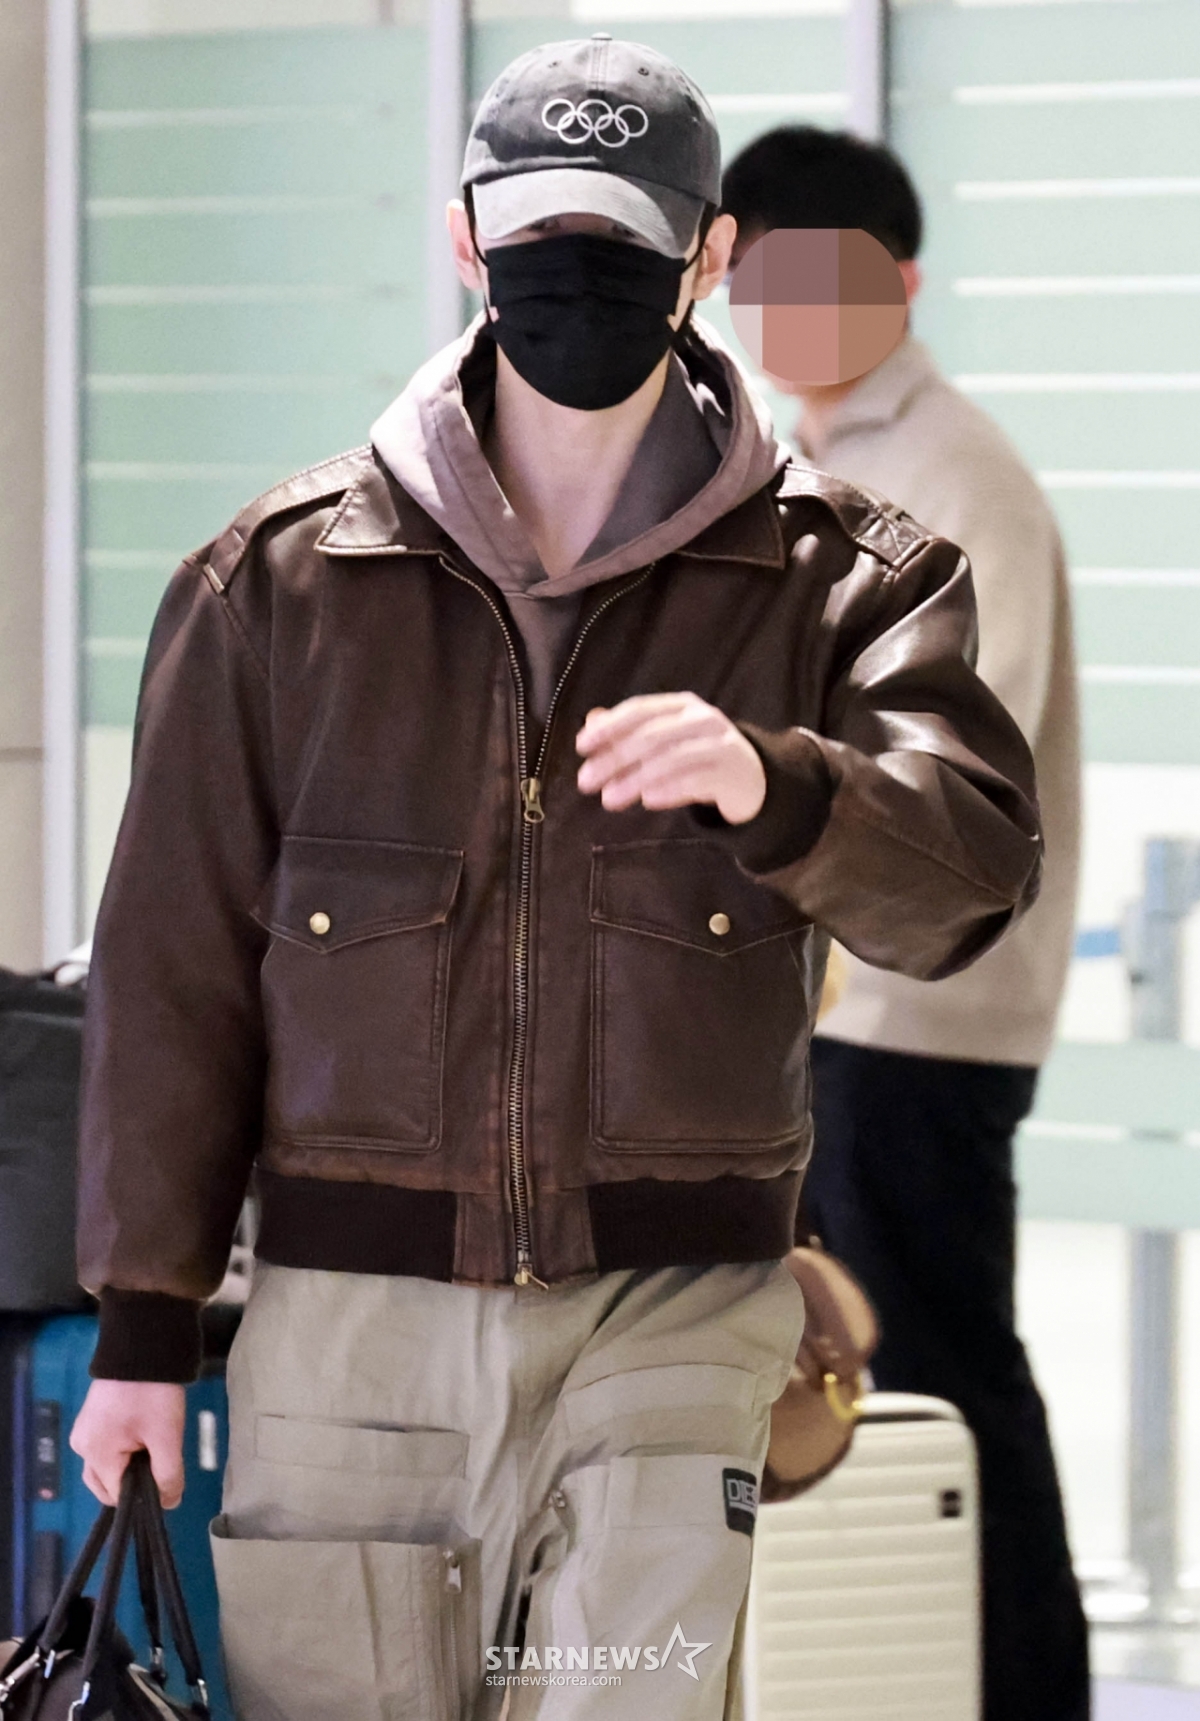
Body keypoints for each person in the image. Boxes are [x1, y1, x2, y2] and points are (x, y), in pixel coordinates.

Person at [69, 40, 1043, 1721]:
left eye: (626, 237)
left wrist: (778, 784)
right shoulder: (277, 588)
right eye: (536, 233)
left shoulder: (849, 582)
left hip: (676, 1322)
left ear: (708, 257)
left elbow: (966, 878)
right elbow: (172, 976)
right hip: (351, 1337)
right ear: (465, 238)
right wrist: (143, 1330)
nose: (575, 273)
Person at [721, 125, 1087, 1721]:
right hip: (829, 1007)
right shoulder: (786, 454)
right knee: (879, 1378)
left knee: (940, 1371)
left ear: (903, 282)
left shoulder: (952, 473)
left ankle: (1025, 1694)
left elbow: (946, 773)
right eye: (759, 276)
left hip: (913, 1011)